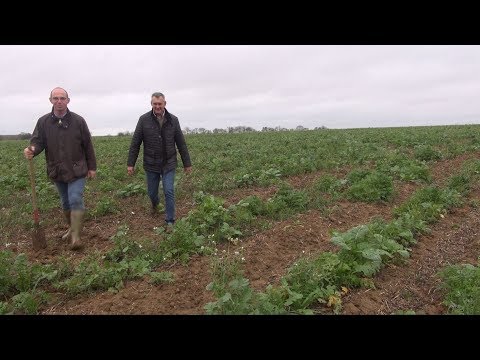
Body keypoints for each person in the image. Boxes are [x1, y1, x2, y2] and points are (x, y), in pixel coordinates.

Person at [23, 87, 97, 251]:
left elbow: (88, 145)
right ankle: (72, 228)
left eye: (62, 98)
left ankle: (76, 237)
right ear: (51, 101)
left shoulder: (78, 121)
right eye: (55, 98)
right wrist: (32, 150)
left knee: (75, 198)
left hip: (77, 168)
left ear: (68, 101)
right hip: (57, 169)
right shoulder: (43, 122)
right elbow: (38, 142)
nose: (59, 101)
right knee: (65, 202)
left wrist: (92, 167)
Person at [127, 92, 192, 229]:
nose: (157, 106)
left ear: (164, 104)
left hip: (169, 162)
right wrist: (130, 163)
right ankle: (155, 204)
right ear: (151, 104)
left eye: (159, 104)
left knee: (169, 191)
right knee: (152, 193)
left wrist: (187, 163)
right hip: (151, 163)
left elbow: (181, 143)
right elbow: (135, 142)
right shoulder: (143, 120)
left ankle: (170, 221)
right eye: (155, 104)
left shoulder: (173, 120)